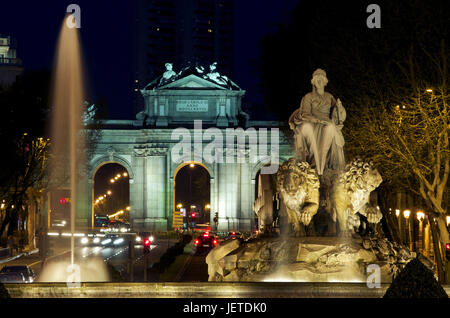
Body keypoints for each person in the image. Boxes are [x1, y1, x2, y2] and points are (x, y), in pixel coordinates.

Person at [289, 69, 346, 175]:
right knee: (308, 128)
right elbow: (305, 113)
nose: (319, 81)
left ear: (325, 81)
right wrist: (318, 120)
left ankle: (322, 164)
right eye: (317, 79)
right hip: (312, 122)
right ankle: (314, 163)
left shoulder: (329, 97)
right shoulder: (308, 97)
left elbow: (337, 115)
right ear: (313, 82)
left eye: (321, 79)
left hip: (327, 123)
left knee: (330, 128)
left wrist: (340, 107)